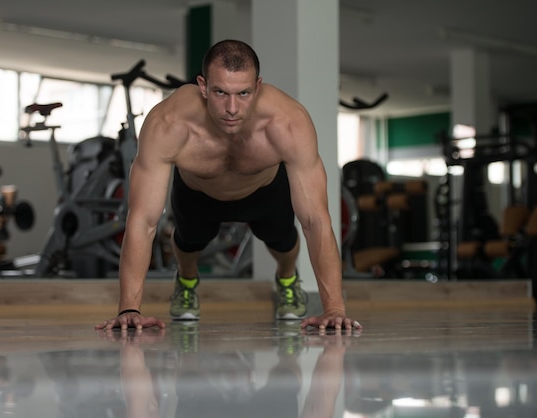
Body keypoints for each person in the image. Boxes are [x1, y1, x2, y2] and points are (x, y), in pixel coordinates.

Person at [95, 39, 361, 332]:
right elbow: (143, 220)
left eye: (243, 93)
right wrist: (129, 309)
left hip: (264, 192)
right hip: (198, 193)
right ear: (203, 86)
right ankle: (186, 282)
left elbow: (314, 221)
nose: (232, 108)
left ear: (258, 87)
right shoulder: (169, 124)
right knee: (187, 243)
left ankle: (287, 280)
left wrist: (334, 308)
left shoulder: (288, 124)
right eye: (220, 92)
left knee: (285, 242)